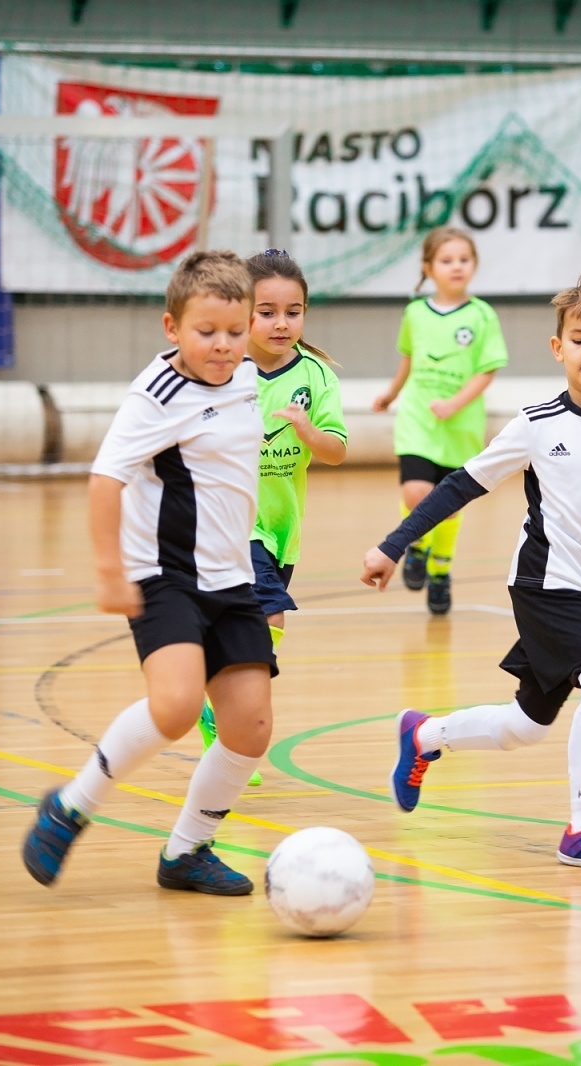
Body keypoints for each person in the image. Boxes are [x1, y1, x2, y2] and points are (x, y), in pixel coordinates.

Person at [361, 267, 581, 872]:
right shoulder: (536, 424)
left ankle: (423, 736)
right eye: (579, 339)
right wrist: (393, 545)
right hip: (544, 584)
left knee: (525, 725)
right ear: (558, 348)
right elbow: (458, 486)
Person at [21, 250, 273, 896]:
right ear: (172, 329)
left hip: (232, 578)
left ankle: (187, 851)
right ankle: (71, 805)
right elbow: (106, 479)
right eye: (205, 332)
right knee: (177, 706)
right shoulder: (156, 397)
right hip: (164, 576)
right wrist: (110, 572)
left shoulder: (247, 374)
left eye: (234, 331)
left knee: (250, 727)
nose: (222, 345)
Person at [196, 250, 349, 788]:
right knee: (270, 618)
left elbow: (335, 451)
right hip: (231, 523)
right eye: (267, 312)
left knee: (248, 628)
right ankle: (237, 719)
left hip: (284, 528)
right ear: (244, 312)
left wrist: (309, 433)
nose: (281, 323)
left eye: (293, 311)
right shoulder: (222, 369)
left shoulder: (316, 376)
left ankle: (216, 704)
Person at [372, 227, 508, 615]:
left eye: (464, 260)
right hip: (418, 419)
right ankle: (414, 544)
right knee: (416, 492)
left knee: (448, 505)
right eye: (447, 260)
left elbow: (487, 371)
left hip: (459, 424)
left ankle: (440, 569)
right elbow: (408, 360)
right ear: (428, 267)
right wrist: (392, 394)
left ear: (474, 266)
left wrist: (454, 403)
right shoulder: (415, 313)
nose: (456, 267)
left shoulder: (482, 316)